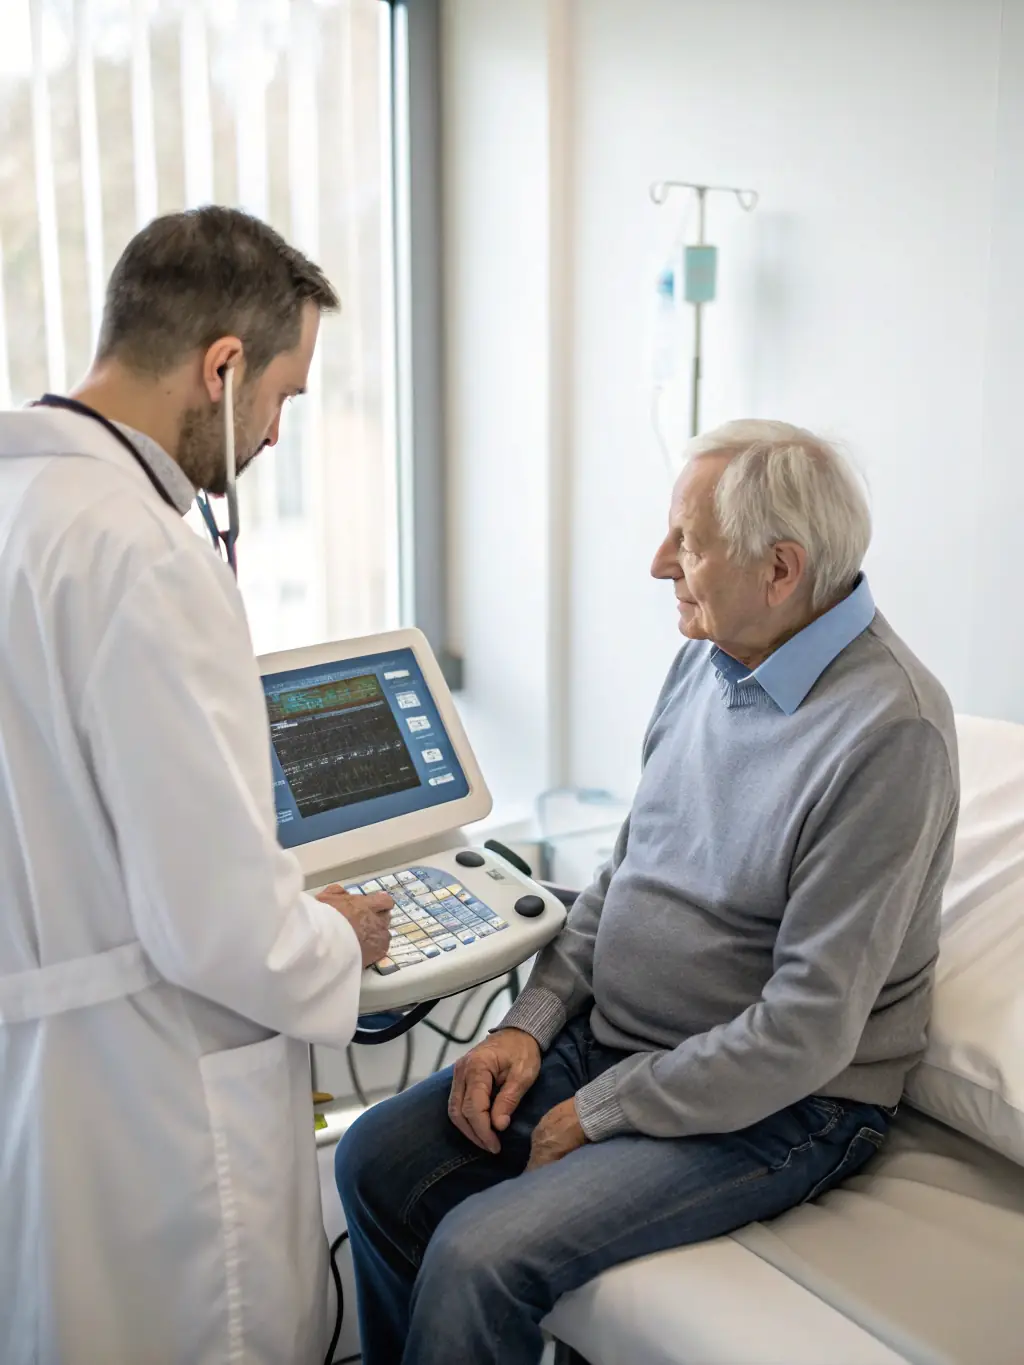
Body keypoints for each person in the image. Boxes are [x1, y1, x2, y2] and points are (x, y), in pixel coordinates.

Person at [337, 419, 960, 1365]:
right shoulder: (708, 664)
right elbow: (624, 878)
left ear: (781, 569)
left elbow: (806, 1032)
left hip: (787, 1105)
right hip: (620, 1050)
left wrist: (604, 1109)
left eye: (690, 542)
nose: (660, 561)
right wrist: (529, 1023)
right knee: (375, 1158)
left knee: (478, 1253)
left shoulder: (890, 734)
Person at [0, 207, 393, 1365]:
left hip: (43, 1079)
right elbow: (218, 922)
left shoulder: (21, 511)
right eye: (283, 394)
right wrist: (336, 937)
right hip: (154, 1108)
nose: (274, 432)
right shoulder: (143, 553)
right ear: (222, 364)